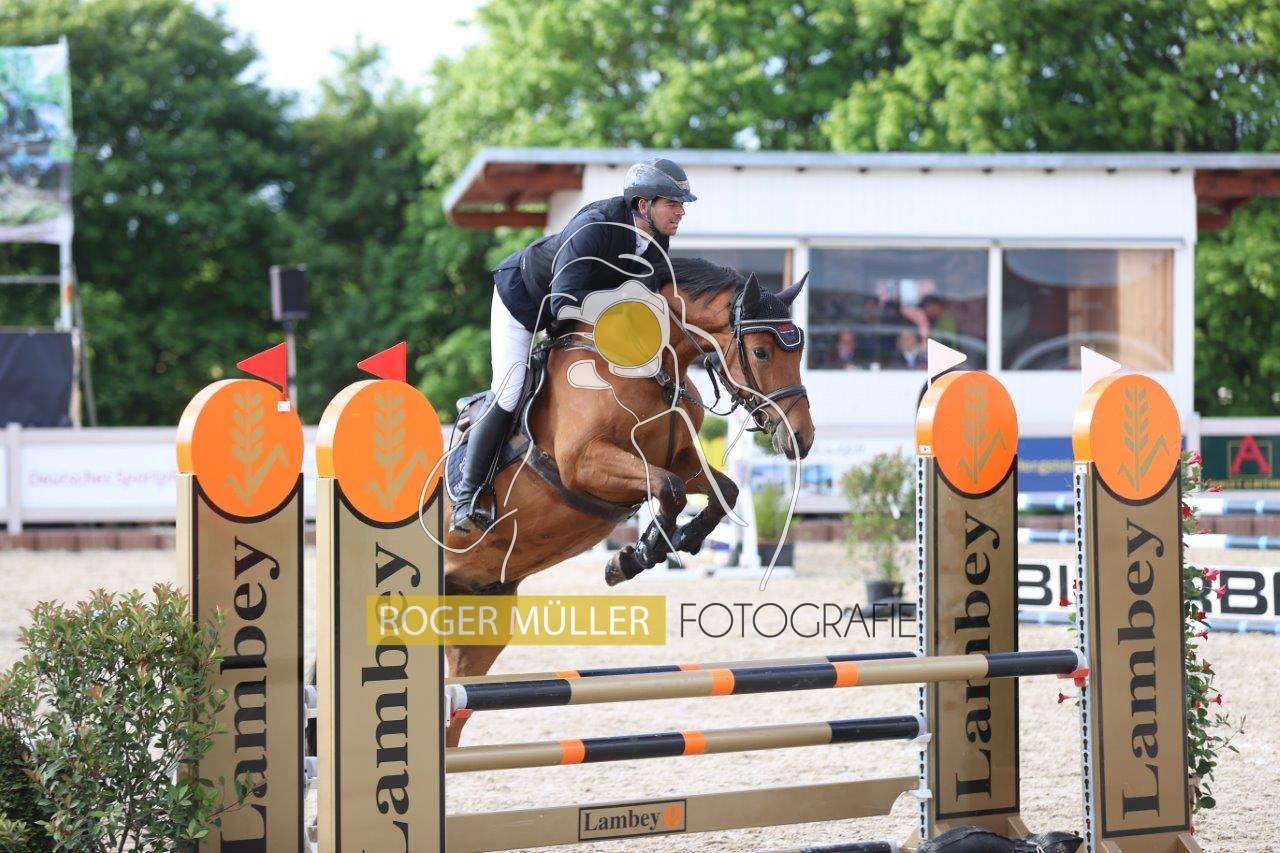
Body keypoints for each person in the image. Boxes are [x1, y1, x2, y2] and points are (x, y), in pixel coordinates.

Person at [450, 158, 697, 533]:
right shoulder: (594, 226)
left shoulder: (656, 239)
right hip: (524, 302)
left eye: (681, 205)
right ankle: (467, 497)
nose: (681, 212)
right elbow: (562, 301)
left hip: (572, 314)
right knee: (510, 390)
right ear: (644, 205)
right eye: (673, 203)